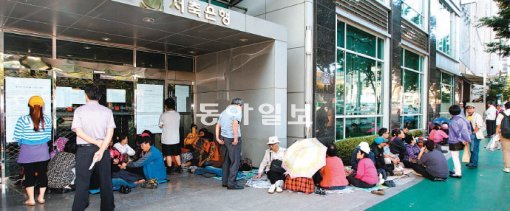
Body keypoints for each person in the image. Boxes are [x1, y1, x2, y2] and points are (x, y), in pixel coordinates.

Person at [71, 85, 116, 211]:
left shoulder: (79, 111)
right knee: (106, 182)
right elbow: (110, 133)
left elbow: (79, 133)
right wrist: (101, 148)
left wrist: (96, 143)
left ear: (86, 95)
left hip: (84, 151)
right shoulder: (107, 111)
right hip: (103, 150)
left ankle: (79, 207)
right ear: (100, 97)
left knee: (82, 183)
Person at [13, 96, 52, 206]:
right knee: (42, 174)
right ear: (42, 106)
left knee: (29, 175)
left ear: (29, 106)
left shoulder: (23, 119)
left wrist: (25, 142)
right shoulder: (47, 120)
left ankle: (31, 199)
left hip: (27, 151)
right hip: (42, 151)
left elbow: (17, 136)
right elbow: (48, 137)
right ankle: (41, 197)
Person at [216, 98, 244, 190]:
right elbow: (235, 124)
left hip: (224, 138)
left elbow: (218, 125)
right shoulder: (238, 110)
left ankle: (225, 182)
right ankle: (231, 183)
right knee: (235, 161)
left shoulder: (224, 111)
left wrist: (217, 138)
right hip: (232, 139)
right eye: (242, 105)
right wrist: (236, 138)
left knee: (226, 161)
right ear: (239, 105)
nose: (242, 107)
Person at [448, 105, 472, 178]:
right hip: (461, 140)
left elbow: (457, 132)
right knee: (457, 156)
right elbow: (467, 130)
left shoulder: (453, 121)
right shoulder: (464, 119)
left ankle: (458, 172)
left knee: (455, 157)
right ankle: (456, 170)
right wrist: (467, 139)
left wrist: (462, 139)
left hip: (454, 141)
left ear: (451, 112)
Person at [159, 97, 182, 173]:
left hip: (166, 139)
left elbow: (160, 125)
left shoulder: (163, 115)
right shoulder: (177, 114)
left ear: (166, 106)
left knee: (168, 155)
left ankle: (169, 169)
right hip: (176, 138)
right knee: (176, 154)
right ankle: (179, 167)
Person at [465, 104, 485, 168]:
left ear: (474, 109)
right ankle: (471, 161)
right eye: (467, 108)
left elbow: (478, 125)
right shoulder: (468, 116)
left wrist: (473, 133)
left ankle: (474, 163)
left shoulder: (477, 116)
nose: (469, 109)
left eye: (470, 108)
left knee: (474, 149)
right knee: (471, 149)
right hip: (470, 134)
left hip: (475, 135)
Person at [496, 102, 510, 173]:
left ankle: (507, 167)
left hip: (505, 134)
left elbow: (498, 126)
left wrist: (496, 135)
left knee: (506, 151)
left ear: (506, 107)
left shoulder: (501, 114)